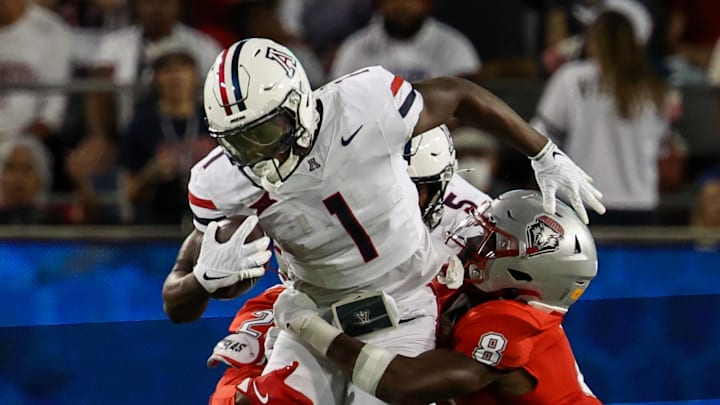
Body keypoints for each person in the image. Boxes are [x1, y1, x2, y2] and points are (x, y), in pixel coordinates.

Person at [161, 37, 603, 404]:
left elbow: (460, 95)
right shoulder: (221, 180)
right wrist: (204, 281)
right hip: (315, 303)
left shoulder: (368, 109)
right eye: (239, 141)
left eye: (264, 132)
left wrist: (542, 151)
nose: (256, 152)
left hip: (402, 309)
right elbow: (178, 299)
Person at [204, 125, 489, 405]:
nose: (395, 200)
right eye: (383, 187)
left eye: (412, 189)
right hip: (309, 303)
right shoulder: (305, 184)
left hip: (410, 325)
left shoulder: (475, 220)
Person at [274, 190, 601, 404]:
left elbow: (405, 384)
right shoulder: (470, 293)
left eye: (490, 242)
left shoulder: (520, 323)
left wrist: (308, 326)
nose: (472, 243)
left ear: (522, 273)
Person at [532, 1, 668, 225]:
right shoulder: (655, 88)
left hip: (583, 202)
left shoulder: (572, 78)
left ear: (598, 38)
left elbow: (539, 137)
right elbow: (661, 149)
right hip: (641, 205)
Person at [120, 46, 215, 225]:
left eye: (182, 68)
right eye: (167, 70)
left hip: (211, 226)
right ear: (155, 79)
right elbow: (129, 194)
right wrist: (151, 173)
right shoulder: (141, 124)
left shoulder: (214, 118)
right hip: (157, 229)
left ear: (195, 76)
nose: (175, 75)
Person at [330, 0, 480, 81]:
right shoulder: (355, 46)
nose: (402, 5)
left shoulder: (454, 46)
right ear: (379, 4)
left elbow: (466, 102)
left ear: (427, 3)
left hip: (439, 132)